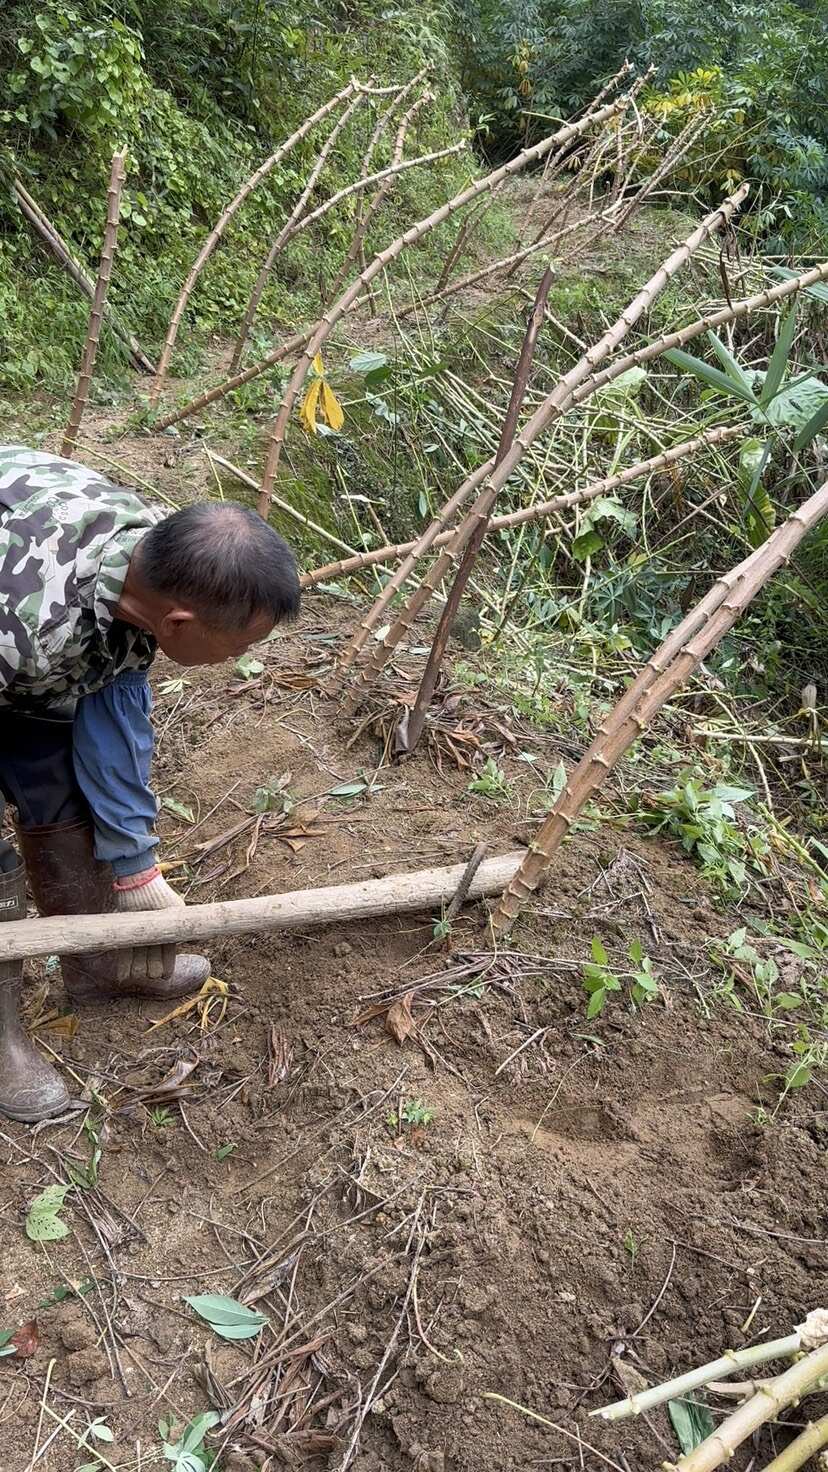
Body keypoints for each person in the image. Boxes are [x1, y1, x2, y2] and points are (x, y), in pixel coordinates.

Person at [0, 445, 300, 1123]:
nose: (237, 661)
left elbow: (114, 701)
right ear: (181, 624)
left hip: (32, 653)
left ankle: (95, 963)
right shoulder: (26, 626)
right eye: (241, 648)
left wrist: (136, 871)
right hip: (13, 632)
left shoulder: (154, 552)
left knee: (59, 786)